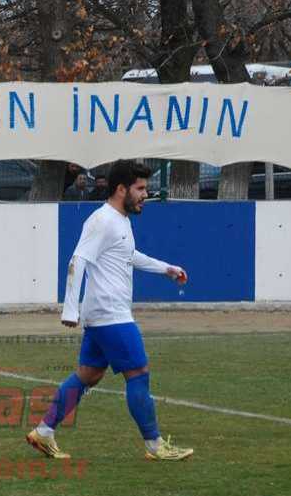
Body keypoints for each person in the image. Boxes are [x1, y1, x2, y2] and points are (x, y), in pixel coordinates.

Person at [26, 160, 194, 462]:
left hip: (102, 314)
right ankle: (155, 445)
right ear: (121, 189)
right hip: (110, 313)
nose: (146, 195)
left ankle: (44, 431)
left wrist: (166, 268)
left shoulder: (120, 220)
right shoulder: (102, 220)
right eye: (140, 188)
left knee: (89, 374)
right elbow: (78, 260)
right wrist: (70, 309)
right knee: (138, 373)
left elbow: (128, 255)